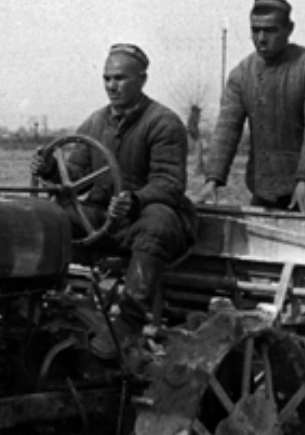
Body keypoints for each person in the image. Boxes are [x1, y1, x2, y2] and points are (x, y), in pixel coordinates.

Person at [31, 44, 196, 349]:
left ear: (142, 79)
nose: (111, 86)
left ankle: (129, 322)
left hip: (142, 220)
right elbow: (76, 178)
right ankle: (36, 302)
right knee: (48, 217)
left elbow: (170, 183)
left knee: (158, 222)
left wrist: (135, 200)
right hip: (102, 218)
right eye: (106, 78)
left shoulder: (163, 123)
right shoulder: (95, 123)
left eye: (120, 78)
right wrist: (53, 170)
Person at [195, 0, 305, 215]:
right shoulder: (241, 75)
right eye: (255, 30)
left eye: (270, 30)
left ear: (289, 29)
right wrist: (212, 179)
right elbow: (226, 129)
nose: (261, 38)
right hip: (267, 191)